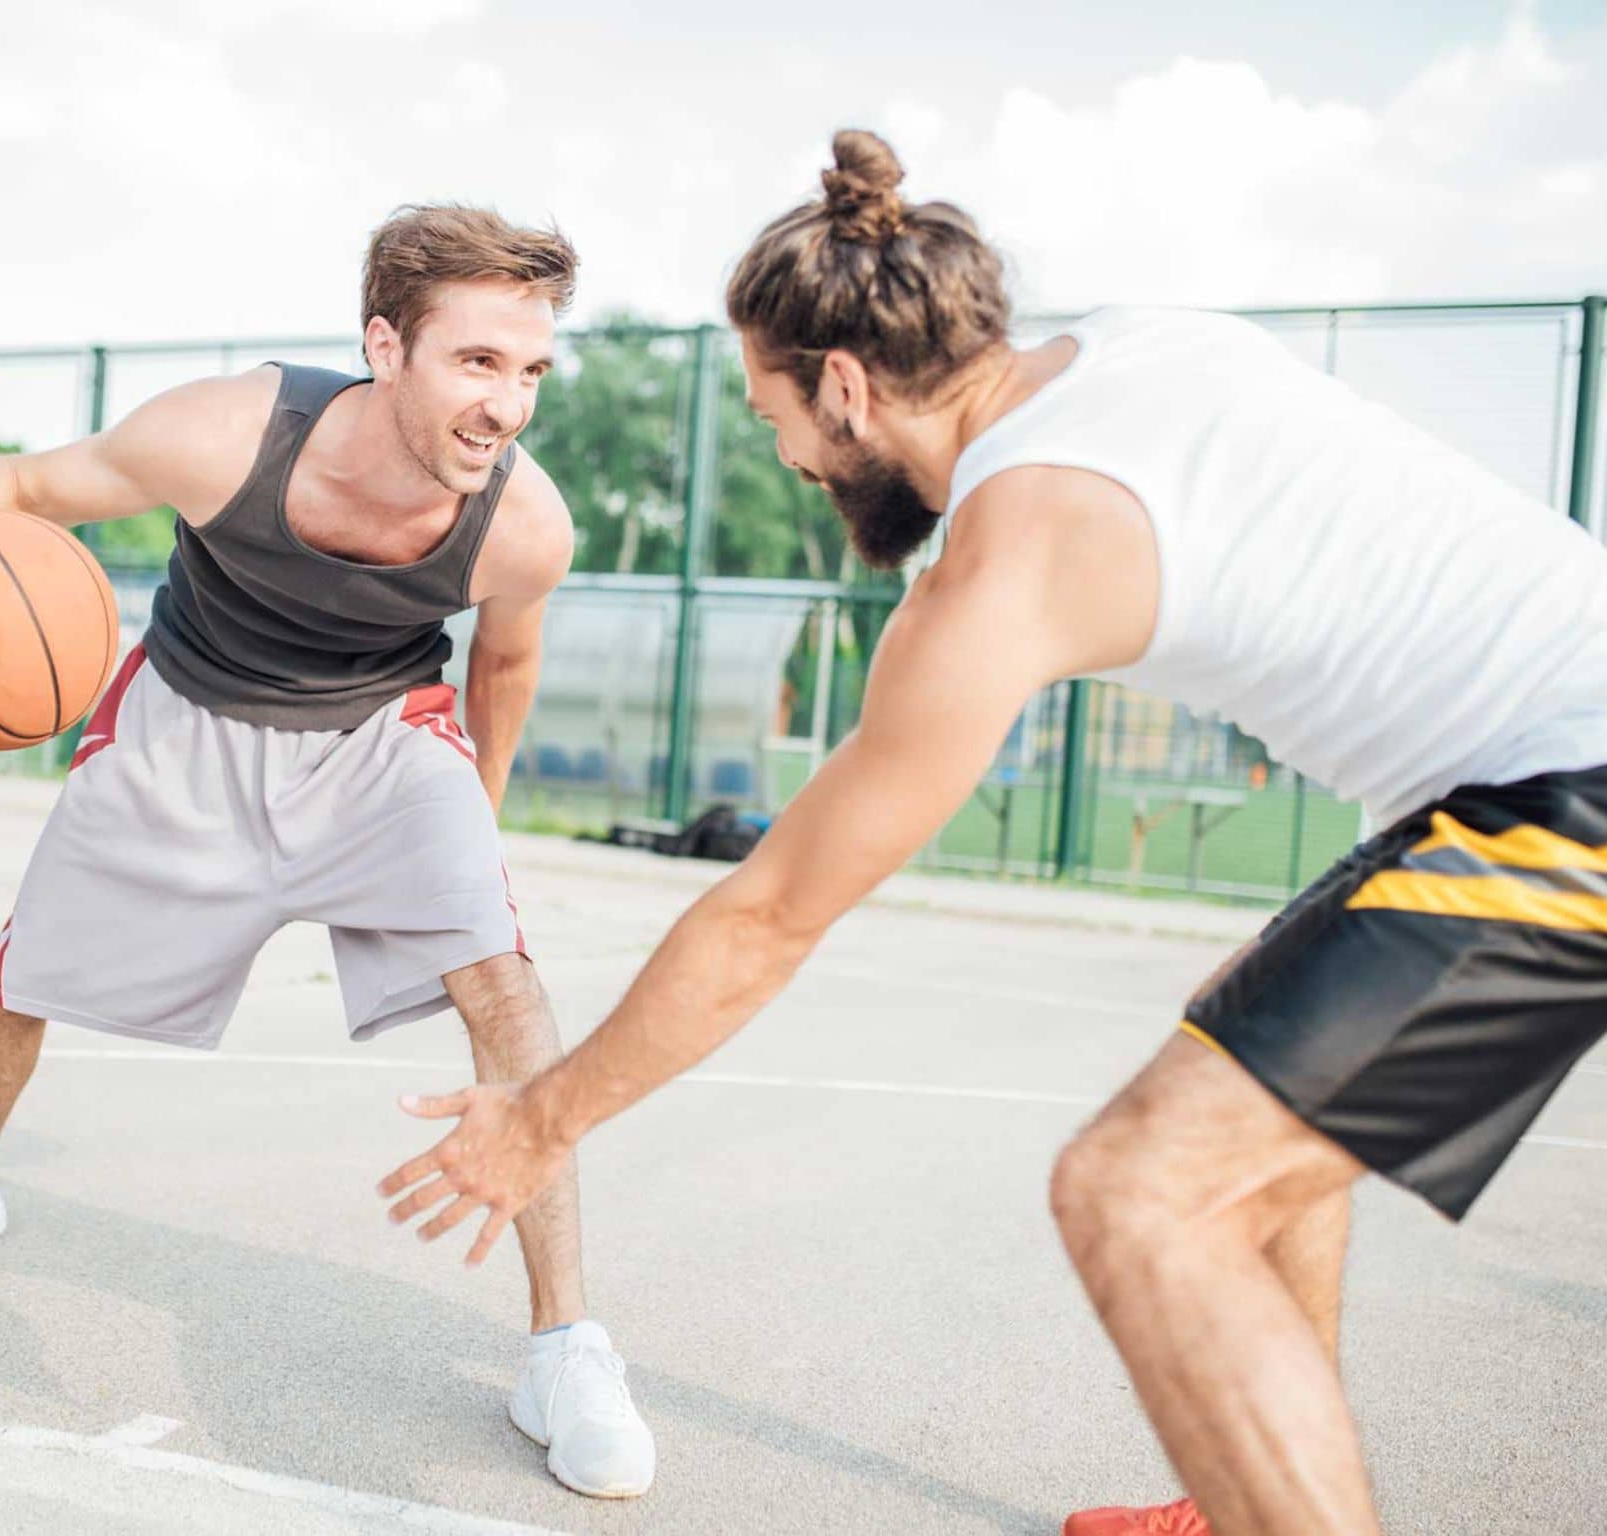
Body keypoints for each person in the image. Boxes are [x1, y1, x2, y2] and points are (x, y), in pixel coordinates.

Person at [377, 132, 1607, 1536]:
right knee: (1243, 1047)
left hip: (1576, 790)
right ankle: (1237, 1497)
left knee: (1140, 1191)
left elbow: (767, 914)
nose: (781, 453)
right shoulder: (1135, 348)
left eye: (772, 413)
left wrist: (541, 1120)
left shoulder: (1011, 554)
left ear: (843, 386)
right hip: (1521, 772)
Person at [0, 204, 655, 1500]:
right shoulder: (221, 434)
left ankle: (567, 1345)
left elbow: (505, 663)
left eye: (532, 369)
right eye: (477, 362)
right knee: (20, 971)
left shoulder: (525, 524)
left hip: (385, 737)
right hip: (188, 715)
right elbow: (23, 486)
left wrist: (470, 853)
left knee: (510, 988)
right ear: (385, 346)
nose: (508, 403)